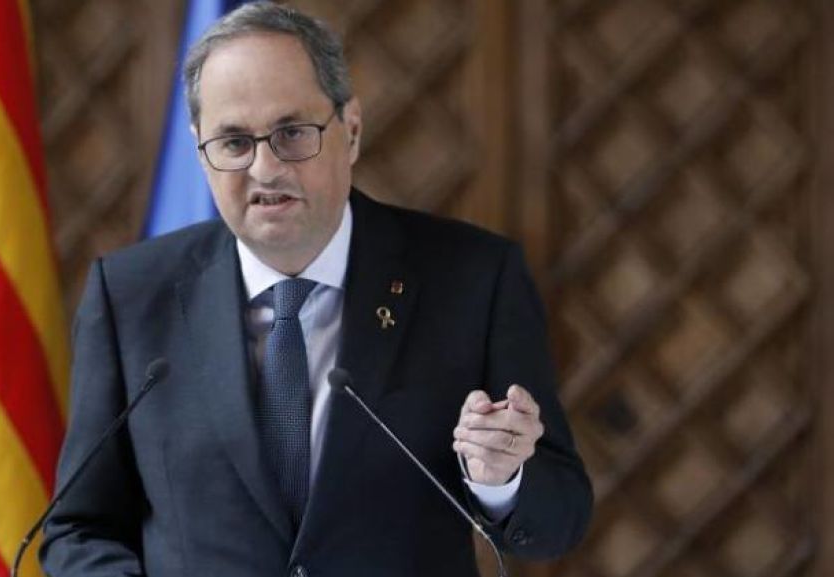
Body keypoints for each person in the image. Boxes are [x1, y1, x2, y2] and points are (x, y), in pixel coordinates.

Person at [40, 3, 592, 576]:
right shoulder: (130, 296)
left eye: (292, 133)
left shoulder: (474, 279)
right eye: (233, 142)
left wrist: (502, 479)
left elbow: (560, 519)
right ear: (199, 150)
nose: (265, 168)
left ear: (350, 131)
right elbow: (79, 529)